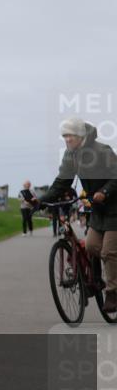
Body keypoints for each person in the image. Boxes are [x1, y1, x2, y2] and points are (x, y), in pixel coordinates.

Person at [36, 118, 117, 312]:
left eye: (70, 135)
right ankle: (97, 279)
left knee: (108, 251)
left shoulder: (102, 151)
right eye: (64, 136)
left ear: (80, 135)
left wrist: (104, 192)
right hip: (98, 210)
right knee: (90, 246)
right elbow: (62, 181)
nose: (67, 139)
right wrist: (41, 201)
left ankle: (113, 293)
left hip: (115, 208)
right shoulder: (70, 155)